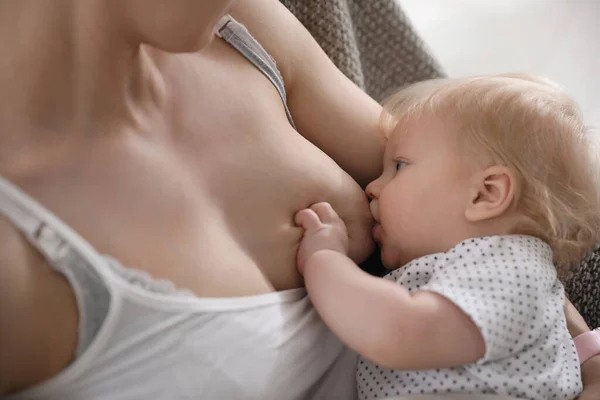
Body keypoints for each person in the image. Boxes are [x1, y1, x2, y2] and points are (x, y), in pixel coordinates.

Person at [0, 0, 598, 398]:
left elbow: (481, 195)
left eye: (395, 171)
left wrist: (584, 359)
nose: (374, 187)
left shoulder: (240, 22)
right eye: (385, 173)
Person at [294, 75, 600, 399]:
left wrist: (324, 258)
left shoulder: (508, 268)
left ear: (485, 194)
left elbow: (396, 332)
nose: (373, 186)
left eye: (399, 166)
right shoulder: (488, 271)